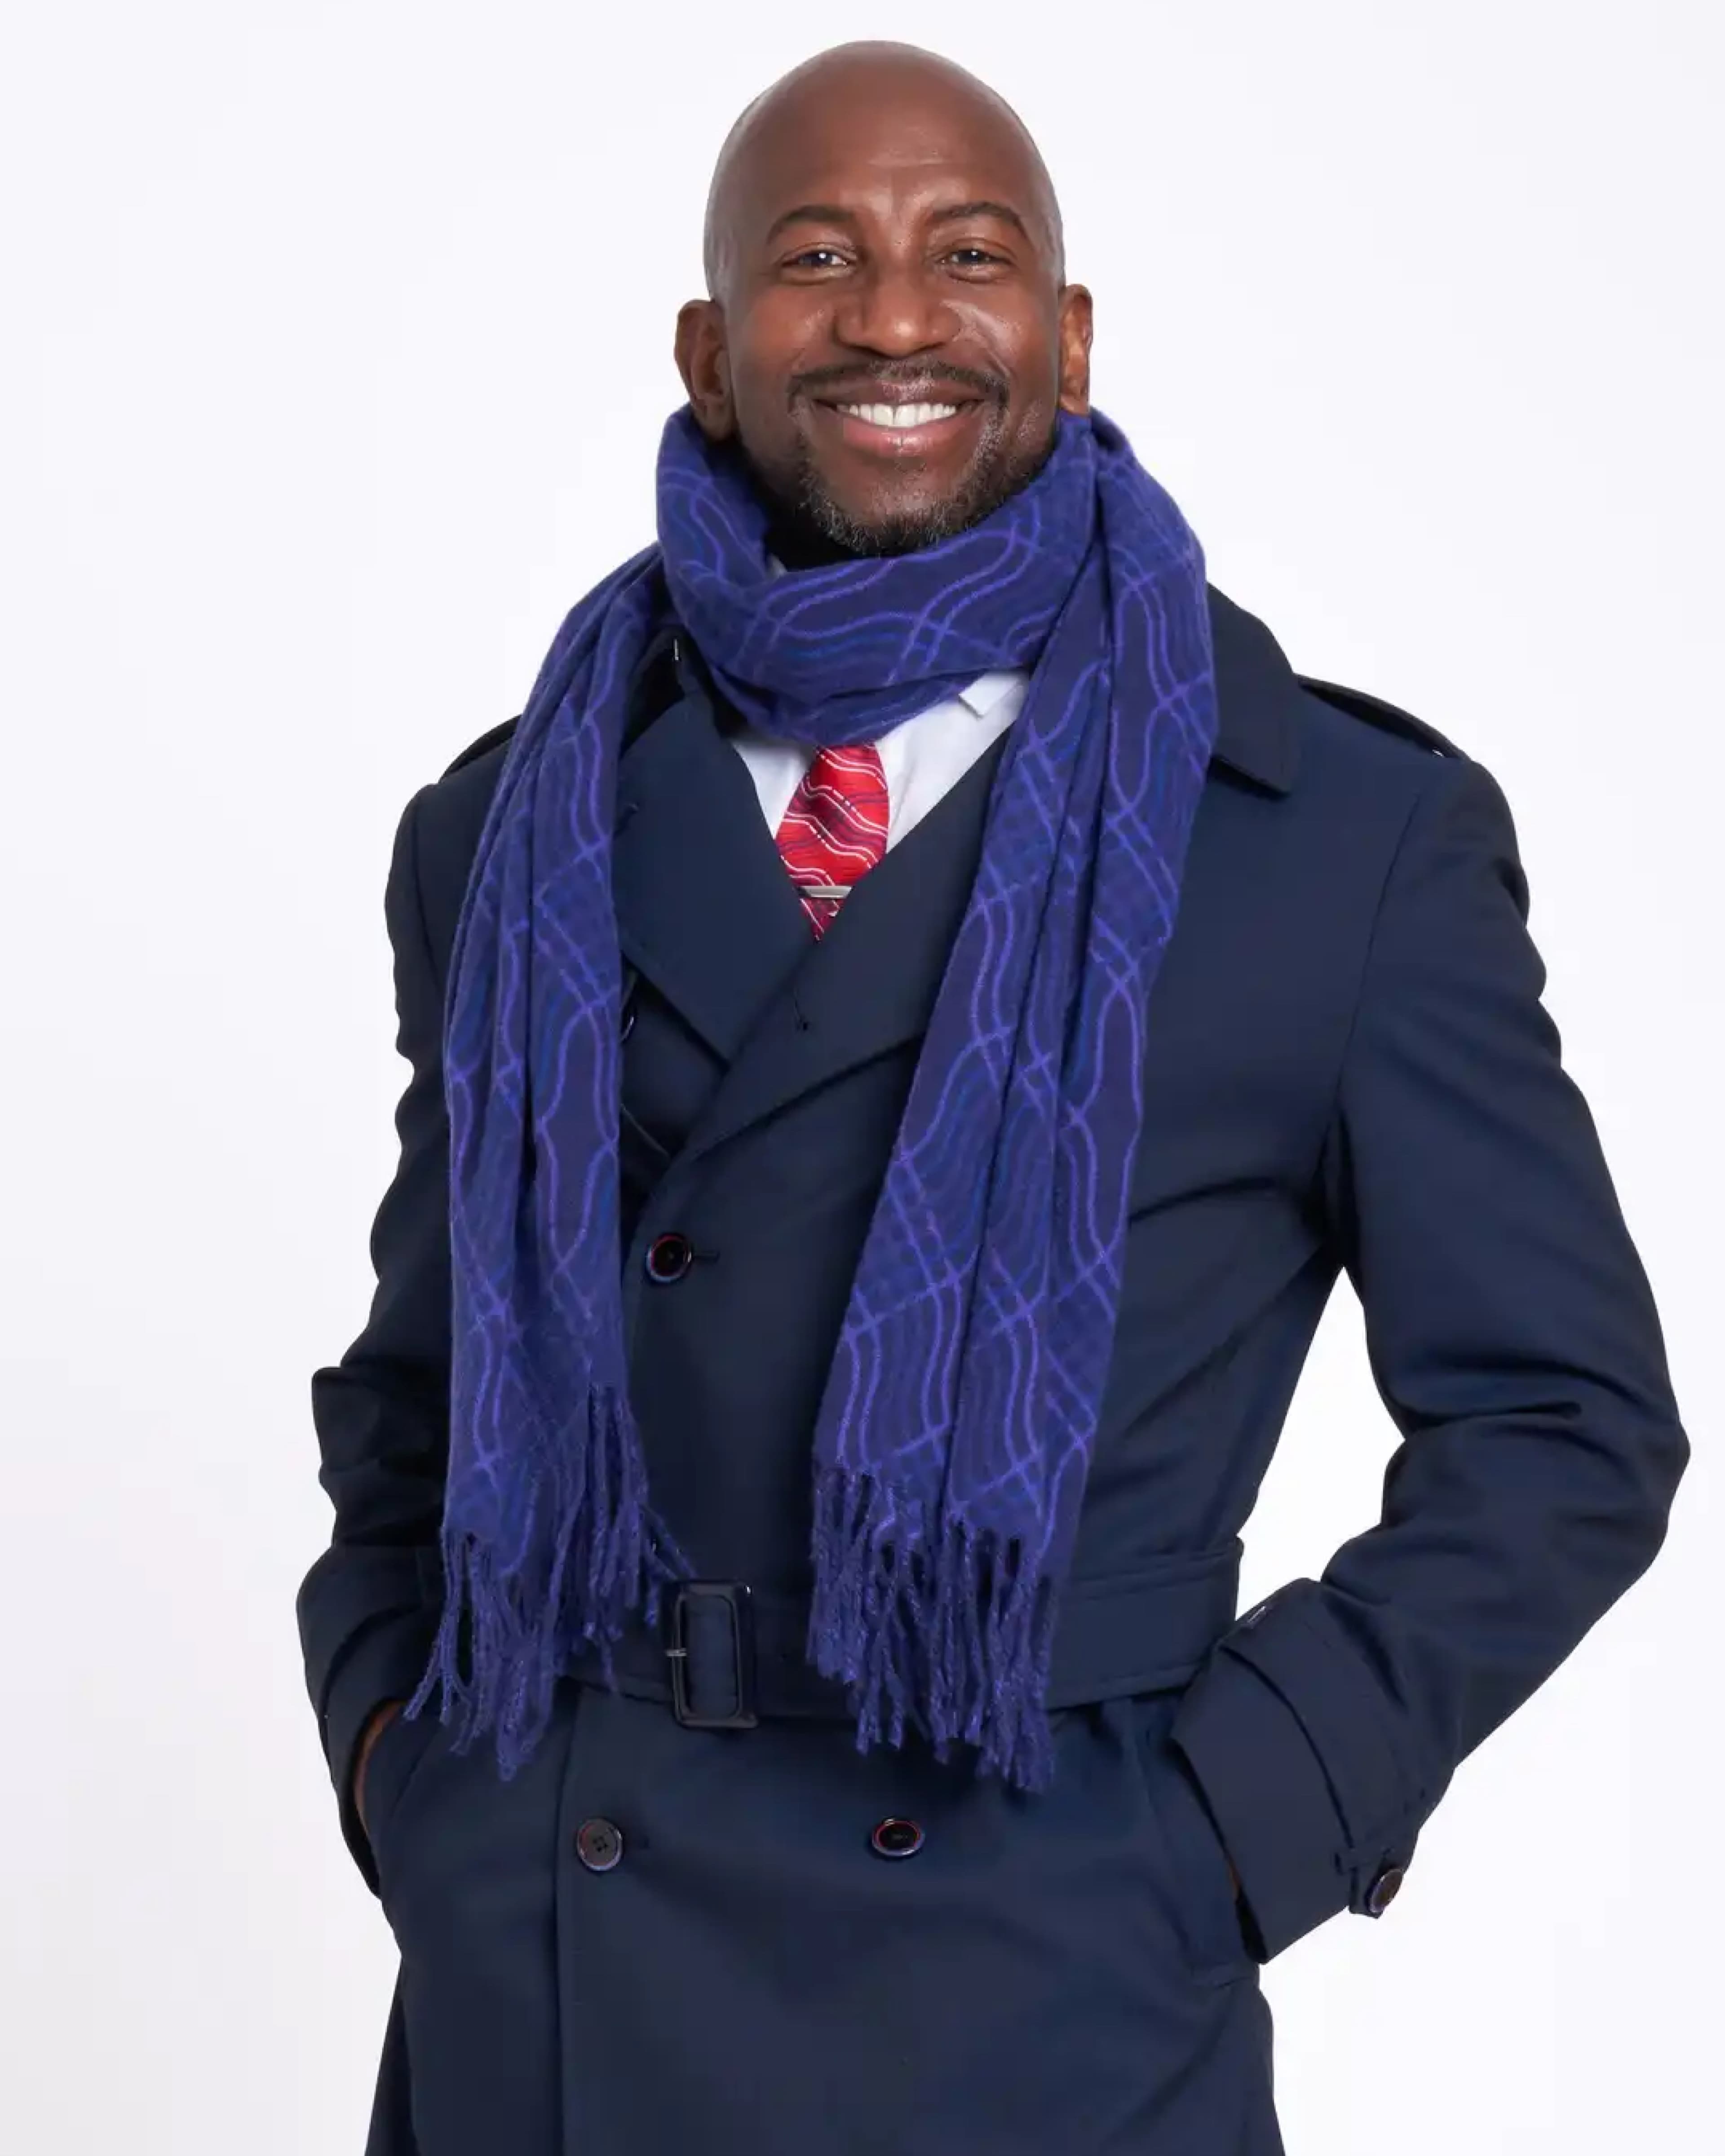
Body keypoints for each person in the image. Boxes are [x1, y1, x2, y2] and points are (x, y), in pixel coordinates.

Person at [297, 39, 1690, 2156]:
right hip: (558, 1977)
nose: (891, 314)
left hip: (1056, 1985)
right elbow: (421, 1392)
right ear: (709, 348)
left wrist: (1241, 1820)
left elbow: (1568, 1423)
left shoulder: (1338, 841)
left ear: (1064, 332)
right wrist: (402, 1751)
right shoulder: (515, 826)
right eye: (814, 258)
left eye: (970, 253)